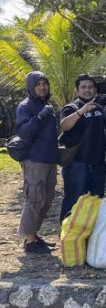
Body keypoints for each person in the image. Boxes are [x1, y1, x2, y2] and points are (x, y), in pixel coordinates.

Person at [15, 71, 59, 253]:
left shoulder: (46, 104)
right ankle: (29, 240)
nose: (42, 87)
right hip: (34, 159)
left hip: (49, 158)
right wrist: (39, 116)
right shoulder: (25, 106)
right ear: (31, 86)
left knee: (47, 199)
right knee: (34, 198)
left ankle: (34, 235)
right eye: (38, 84)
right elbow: (23, 131)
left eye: (44, 83)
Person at [59, 74, 106, 221]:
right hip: (77, 163)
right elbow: (64, 126)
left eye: (91, 87)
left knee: (95, 200)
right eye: (84, 87)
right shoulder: (71, 108)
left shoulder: (99, 108)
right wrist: (81, 111)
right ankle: (67, 236)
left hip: (98, 163)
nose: (88, 90)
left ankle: (87, 235)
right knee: (74, 200)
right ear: (77, 90)